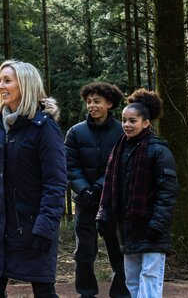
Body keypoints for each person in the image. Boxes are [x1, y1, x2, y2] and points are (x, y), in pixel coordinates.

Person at [0, 60, 67, 298]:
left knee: (43, 291)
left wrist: (45, 226)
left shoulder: (44, 128)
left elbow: (55, 184)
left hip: (32, 225)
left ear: (25, 84)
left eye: (7, 80)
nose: (1, 86)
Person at [96, 89, 178, 298]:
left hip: (152, 228)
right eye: (124, 120)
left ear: (146, 123)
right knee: (131, 278)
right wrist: (104, 215)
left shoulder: (159, 151)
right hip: (127, 227)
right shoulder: (120, 149)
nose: (127, 125)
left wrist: (157, 224)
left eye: (133, 121)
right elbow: (111, 186)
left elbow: (167, 192)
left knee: (150, 276)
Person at [66, 82, 130, 298]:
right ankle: (86, 293)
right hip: (84, 202)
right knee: (83, 253)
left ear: (109, 104)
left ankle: (120, 294)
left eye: (97, 101)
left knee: (118, 251)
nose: (91, 106)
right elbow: (70, 166)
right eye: (88, 102)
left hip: (113, 201)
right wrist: (84, 190)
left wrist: (99, 187)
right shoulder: (75, 132)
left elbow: (122, 164)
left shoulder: (122, 131)